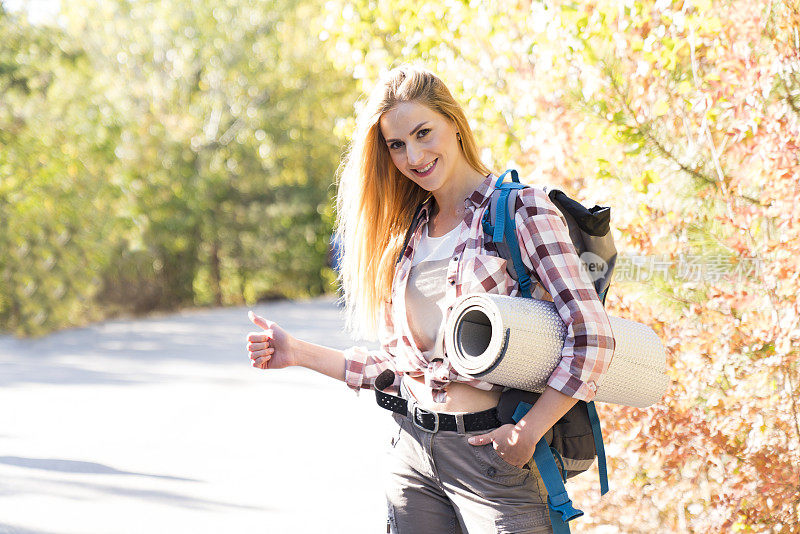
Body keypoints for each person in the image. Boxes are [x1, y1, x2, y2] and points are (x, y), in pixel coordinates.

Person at [246, 64, 615, 534]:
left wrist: (529, 432)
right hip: (411, 454)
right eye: (396, 145)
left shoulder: (521, 210)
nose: (413, 156)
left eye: (424, 133)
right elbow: (399, 368)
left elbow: (592, 335)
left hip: (493, 458)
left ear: (454, 124)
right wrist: (297, 352)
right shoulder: (407, 233)